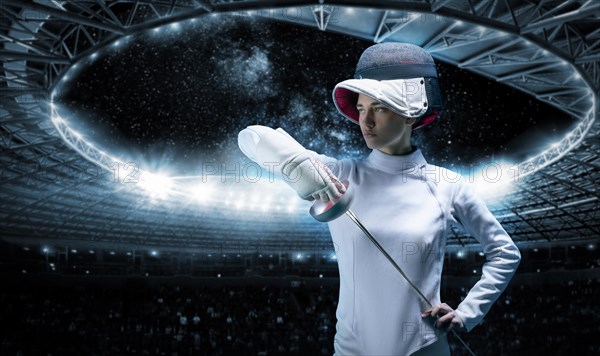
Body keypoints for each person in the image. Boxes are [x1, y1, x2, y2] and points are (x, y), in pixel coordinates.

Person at [238, 42, 521, 355]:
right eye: (361, 108)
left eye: (380, 108)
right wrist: (301, 171)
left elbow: (505, 252)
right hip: (350, 349)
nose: (366, 122)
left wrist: (468, 313)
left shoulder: (447, 185)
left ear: (411, 116)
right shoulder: (337, 174)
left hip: (424, 347)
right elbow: (252, 137)